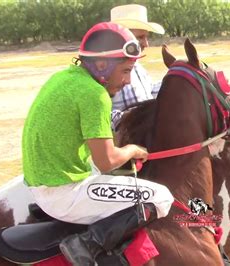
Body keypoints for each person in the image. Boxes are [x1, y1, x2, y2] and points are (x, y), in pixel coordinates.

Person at [21, 22, 173, 265]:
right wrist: (132, 149)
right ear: (102, 65)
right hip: (62, 194)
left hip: (44, 182)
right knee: (162, 198)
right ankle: (88, 244)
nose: (127, 81)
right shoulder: (95, 94)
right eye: (125, 71)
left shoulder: (64, 77)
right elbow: (106, 162)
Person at [109, 4, 165, 129]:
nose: (146, 44)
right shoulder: (103, 71)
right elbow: (95, 114)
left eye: (146, 37)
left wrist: (174, 79)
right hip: (124, 141)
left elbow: (149, 90)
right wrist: (126, 118)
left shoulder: (138, 67)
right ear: (122, 37)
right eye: (140, 37)